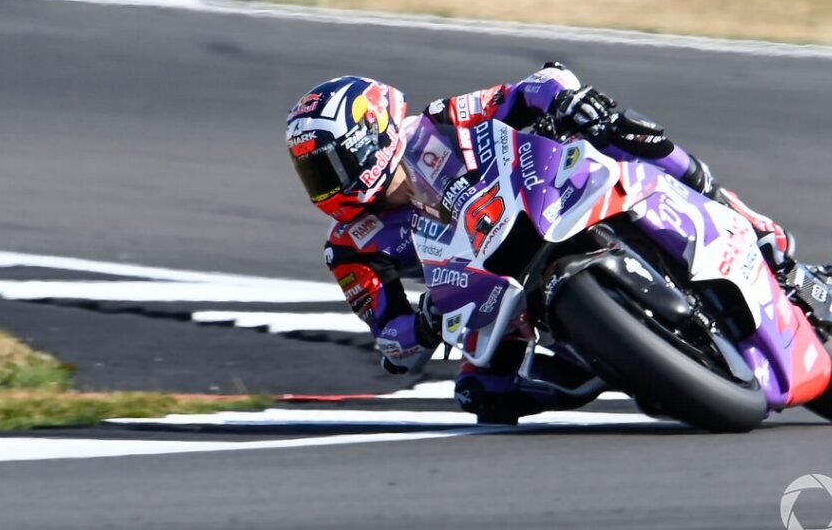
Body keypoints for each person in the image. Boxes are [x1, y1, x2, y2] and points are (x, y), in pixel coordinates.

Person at [286, 63, 795, 423]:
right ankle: (616, 365)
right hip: (494, 297)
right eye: (313, 175)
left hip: (550, 202)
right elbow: (392, 345)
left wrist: (566, 99)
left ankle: (734, 209)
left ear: (369, 139)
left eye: (328, 168)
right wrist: (422, 323)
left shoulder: (442, 120)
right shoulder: (351, 247)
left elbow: (527, 91)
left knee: (615, 128)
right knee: (481, 393)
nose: (323, 187)